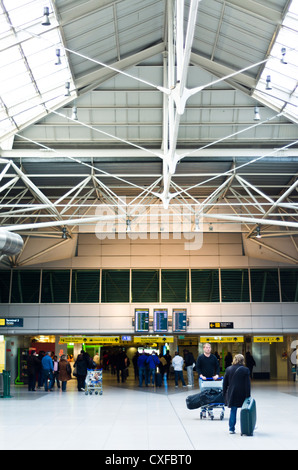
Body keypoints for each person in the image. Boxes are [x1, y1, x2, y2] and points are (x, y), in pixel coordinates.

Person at [223, 354, 251, 434]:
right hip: (242, 393)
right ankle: (245, 428)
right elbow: (247, 384)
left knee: (233, 410)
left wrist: (224, 393)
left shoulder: (228, 369)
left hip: (232, 393)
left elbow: (225, 383)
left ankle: (231, 429)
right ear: (242, 360)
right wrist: (248, 396)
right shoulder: (246, 370)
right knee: (245, 411)